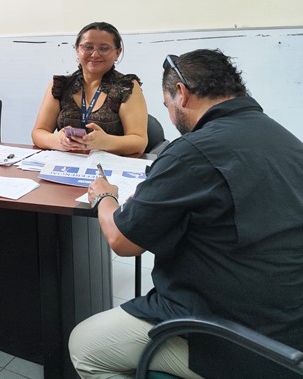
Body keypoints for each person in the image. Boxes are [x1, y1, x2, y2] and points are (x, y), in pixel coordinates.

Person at [70, 49, 303, 378]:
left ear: (181, 93)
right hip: (288, 321)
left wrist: (105, 196)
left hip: (240, 336)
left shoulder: (194, 149)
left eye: (167, 105)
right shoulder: (283, 138)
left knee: (84, 345)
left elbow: (123, 241)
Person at [31, 22, 148, 156]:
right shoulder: (60, 86)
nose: (95, 54)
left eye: (104, 48)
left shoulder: (126, 87)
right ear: (77, 50)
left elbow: (139, 142)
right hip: (66, 165)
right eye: (88, 47)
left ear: (117, 52)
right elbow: (38, 132)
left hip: (109, 169)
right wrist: (57, 140)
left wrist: (106, 142)